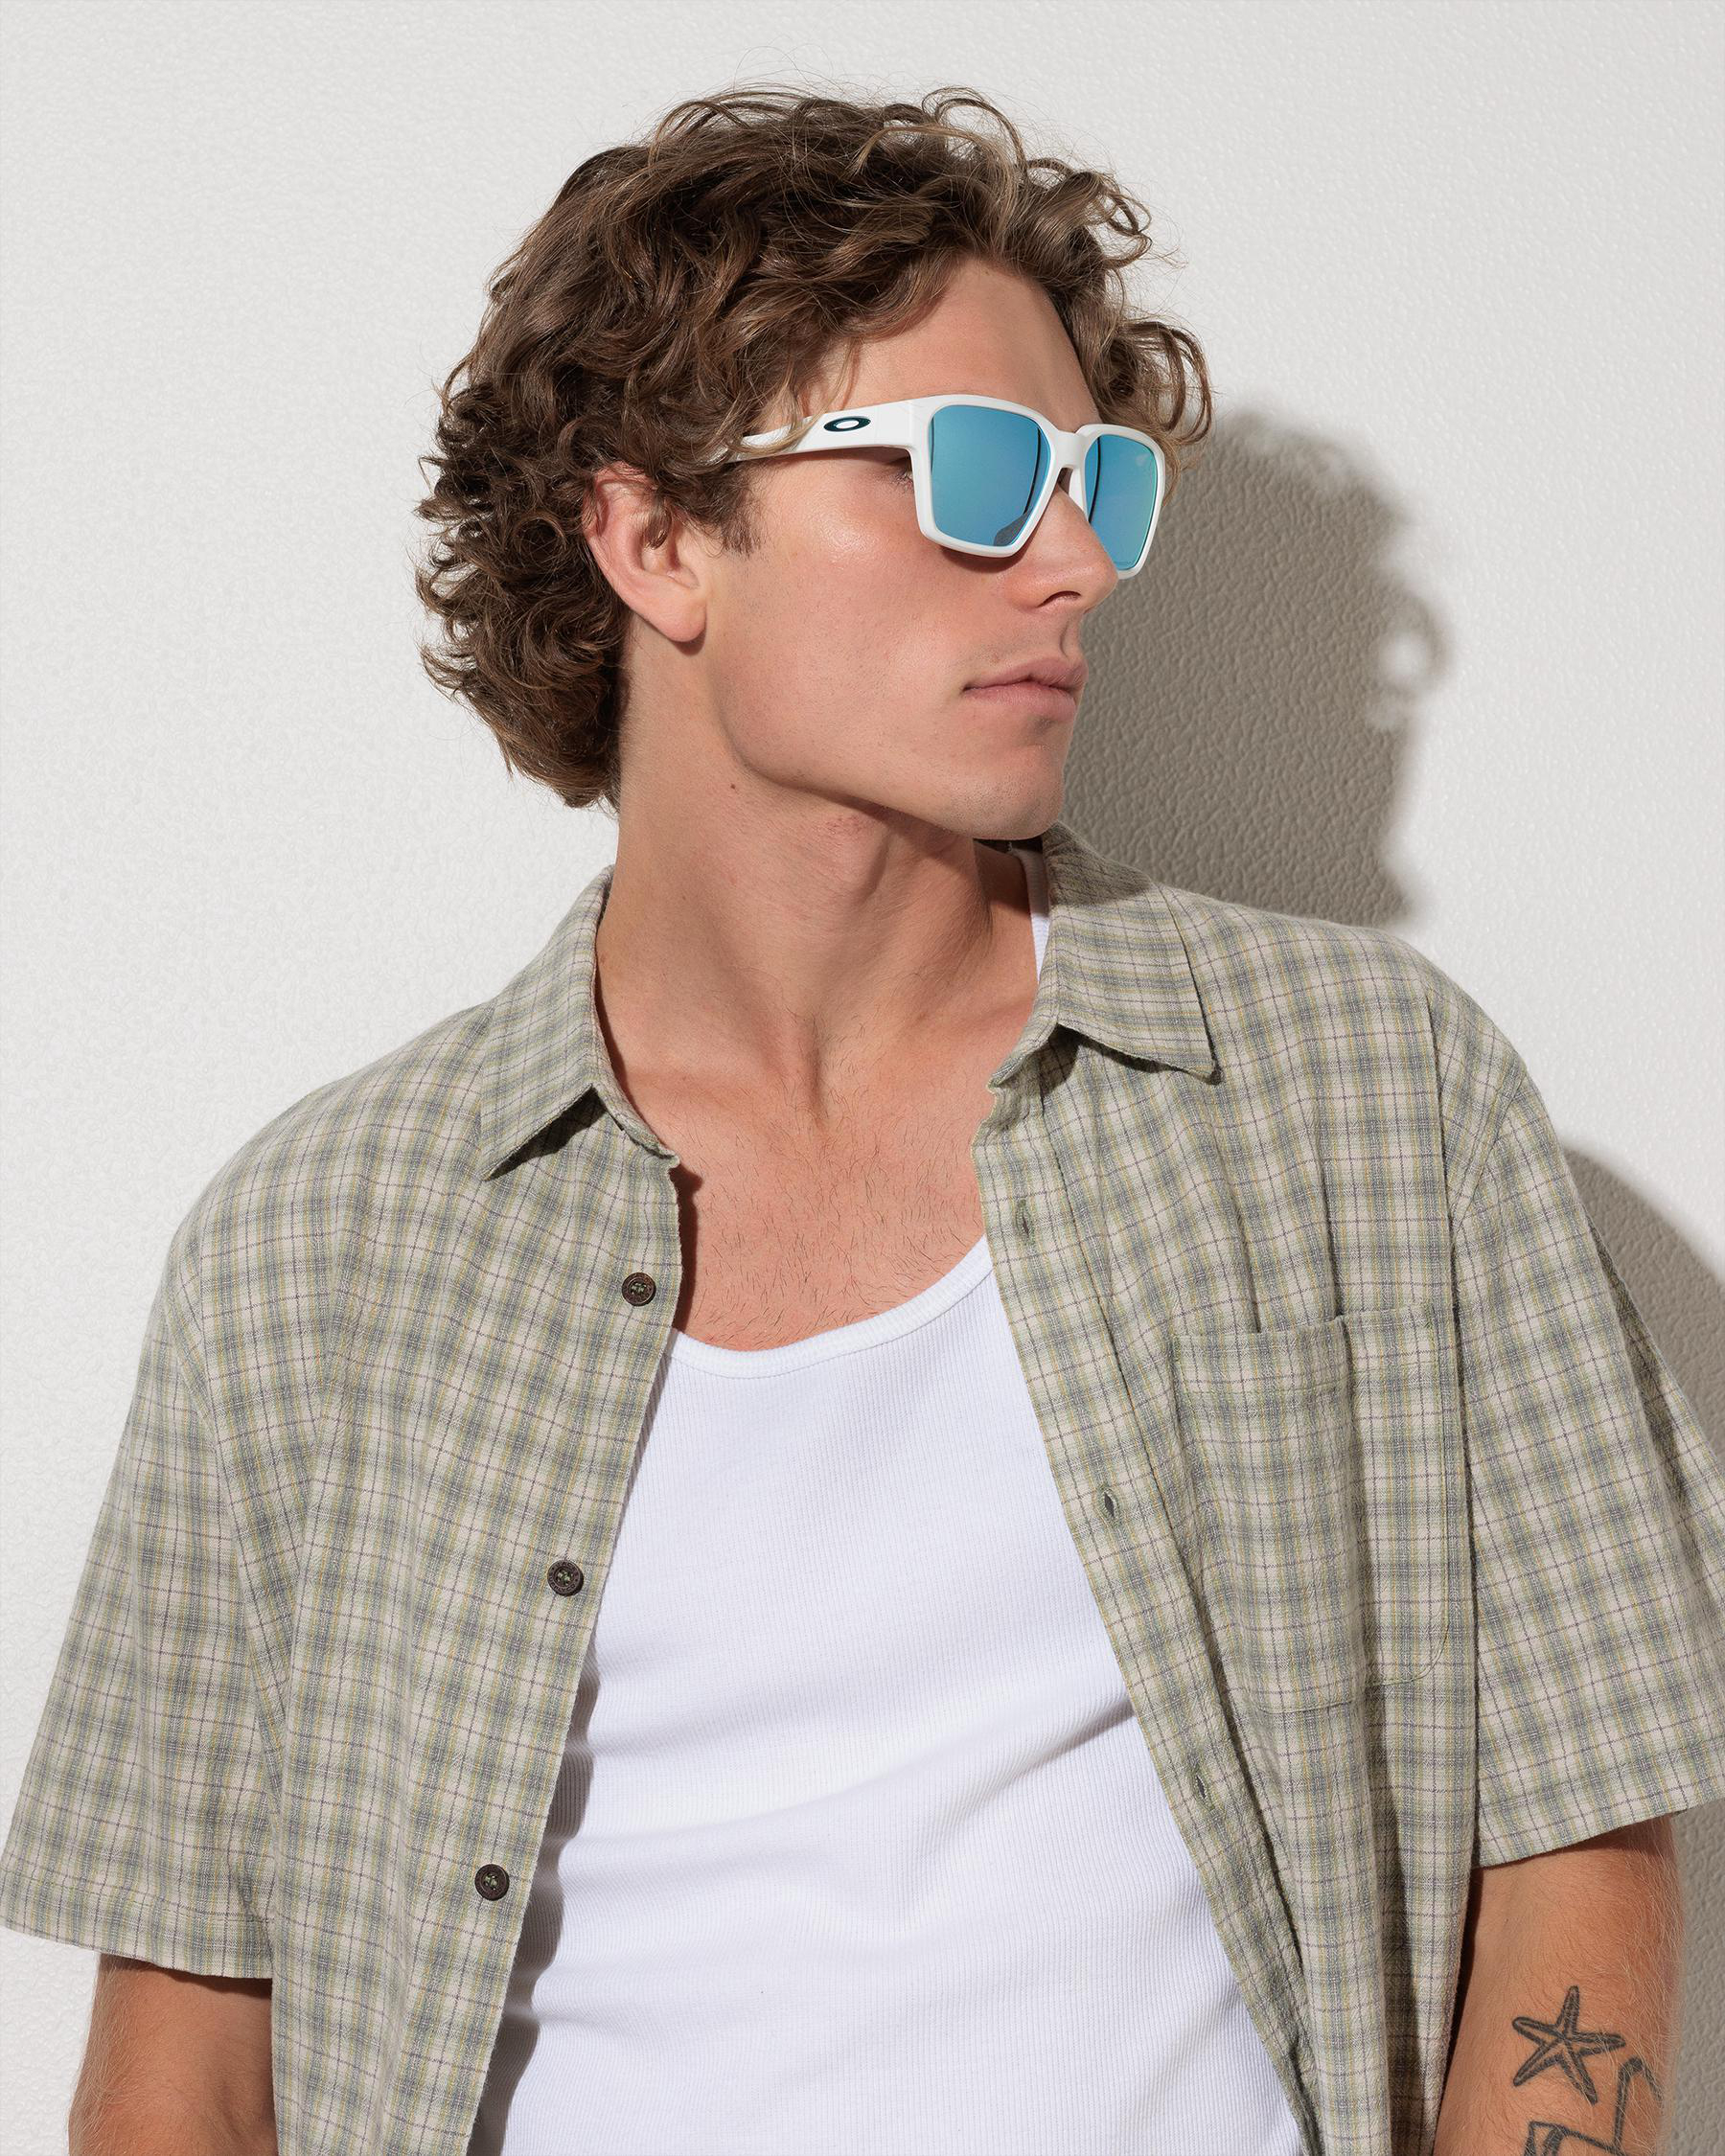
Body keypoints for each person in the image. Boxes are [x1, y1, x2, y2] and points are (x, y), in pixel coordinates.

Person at [1, 81, 1719, 2156]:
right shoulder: (320, 1249)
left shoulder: (1369, 1100)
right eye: (974, 473)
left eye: (1095, 483)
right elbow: (183, 2061)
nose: (1071, 564)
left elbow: (1581, 1826)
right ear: (654, 538)